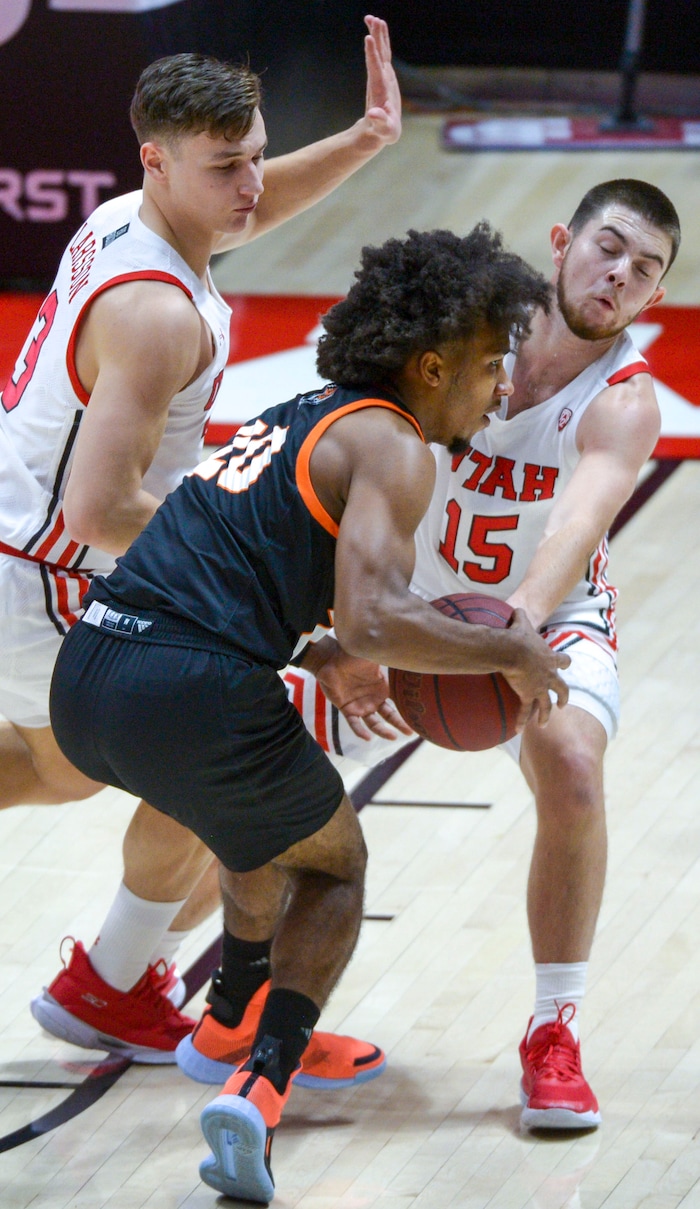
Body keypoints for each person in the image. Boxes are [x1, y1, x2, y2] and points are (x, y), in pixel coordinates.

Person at [48, 224, 570, 1203]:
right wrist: (509, 644)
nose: (499, 387)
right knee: (333, 867)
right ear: (430, 365)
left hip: (90, 674)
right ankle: (260, 1085)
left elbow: (231, 563)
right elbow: (377, 616)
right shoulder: (396, 445)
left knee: (256, 824)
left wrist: (313, 647)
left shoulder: (298, 414)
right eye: (490, 364)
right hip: (189, 682)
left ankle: (229, 1017)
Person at [2, 17, 406, 1074]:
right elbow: (100, 510)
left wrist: (364, 136)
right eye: (226, 166)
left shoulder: (143, 216)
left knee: (68, 770)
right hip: (49, 569)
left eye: (255, 157)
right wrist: (244, 583)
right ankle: (116, 988)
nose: (248, 186)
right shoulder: (155, 317)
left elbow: (242, 208)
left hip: (32, 551)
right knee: (203, 746)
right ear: (156, 158)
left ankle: (116, 984)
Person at [275, 178, 680, 1131]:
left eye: (645, 269)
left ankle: (554, 1031)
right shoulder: (467, 324)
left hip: (545, 616)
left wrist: (507, 641)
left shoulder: (625, 402)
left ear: (655, 297)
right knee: (238, 745)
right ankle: (138, 977)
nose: (619, 274)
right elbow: (342, 455)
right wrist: (348, 624)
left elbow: (568, 536)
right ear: (561, 242)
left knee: (574, 766)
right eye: (608, 247)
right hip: (397, 598)